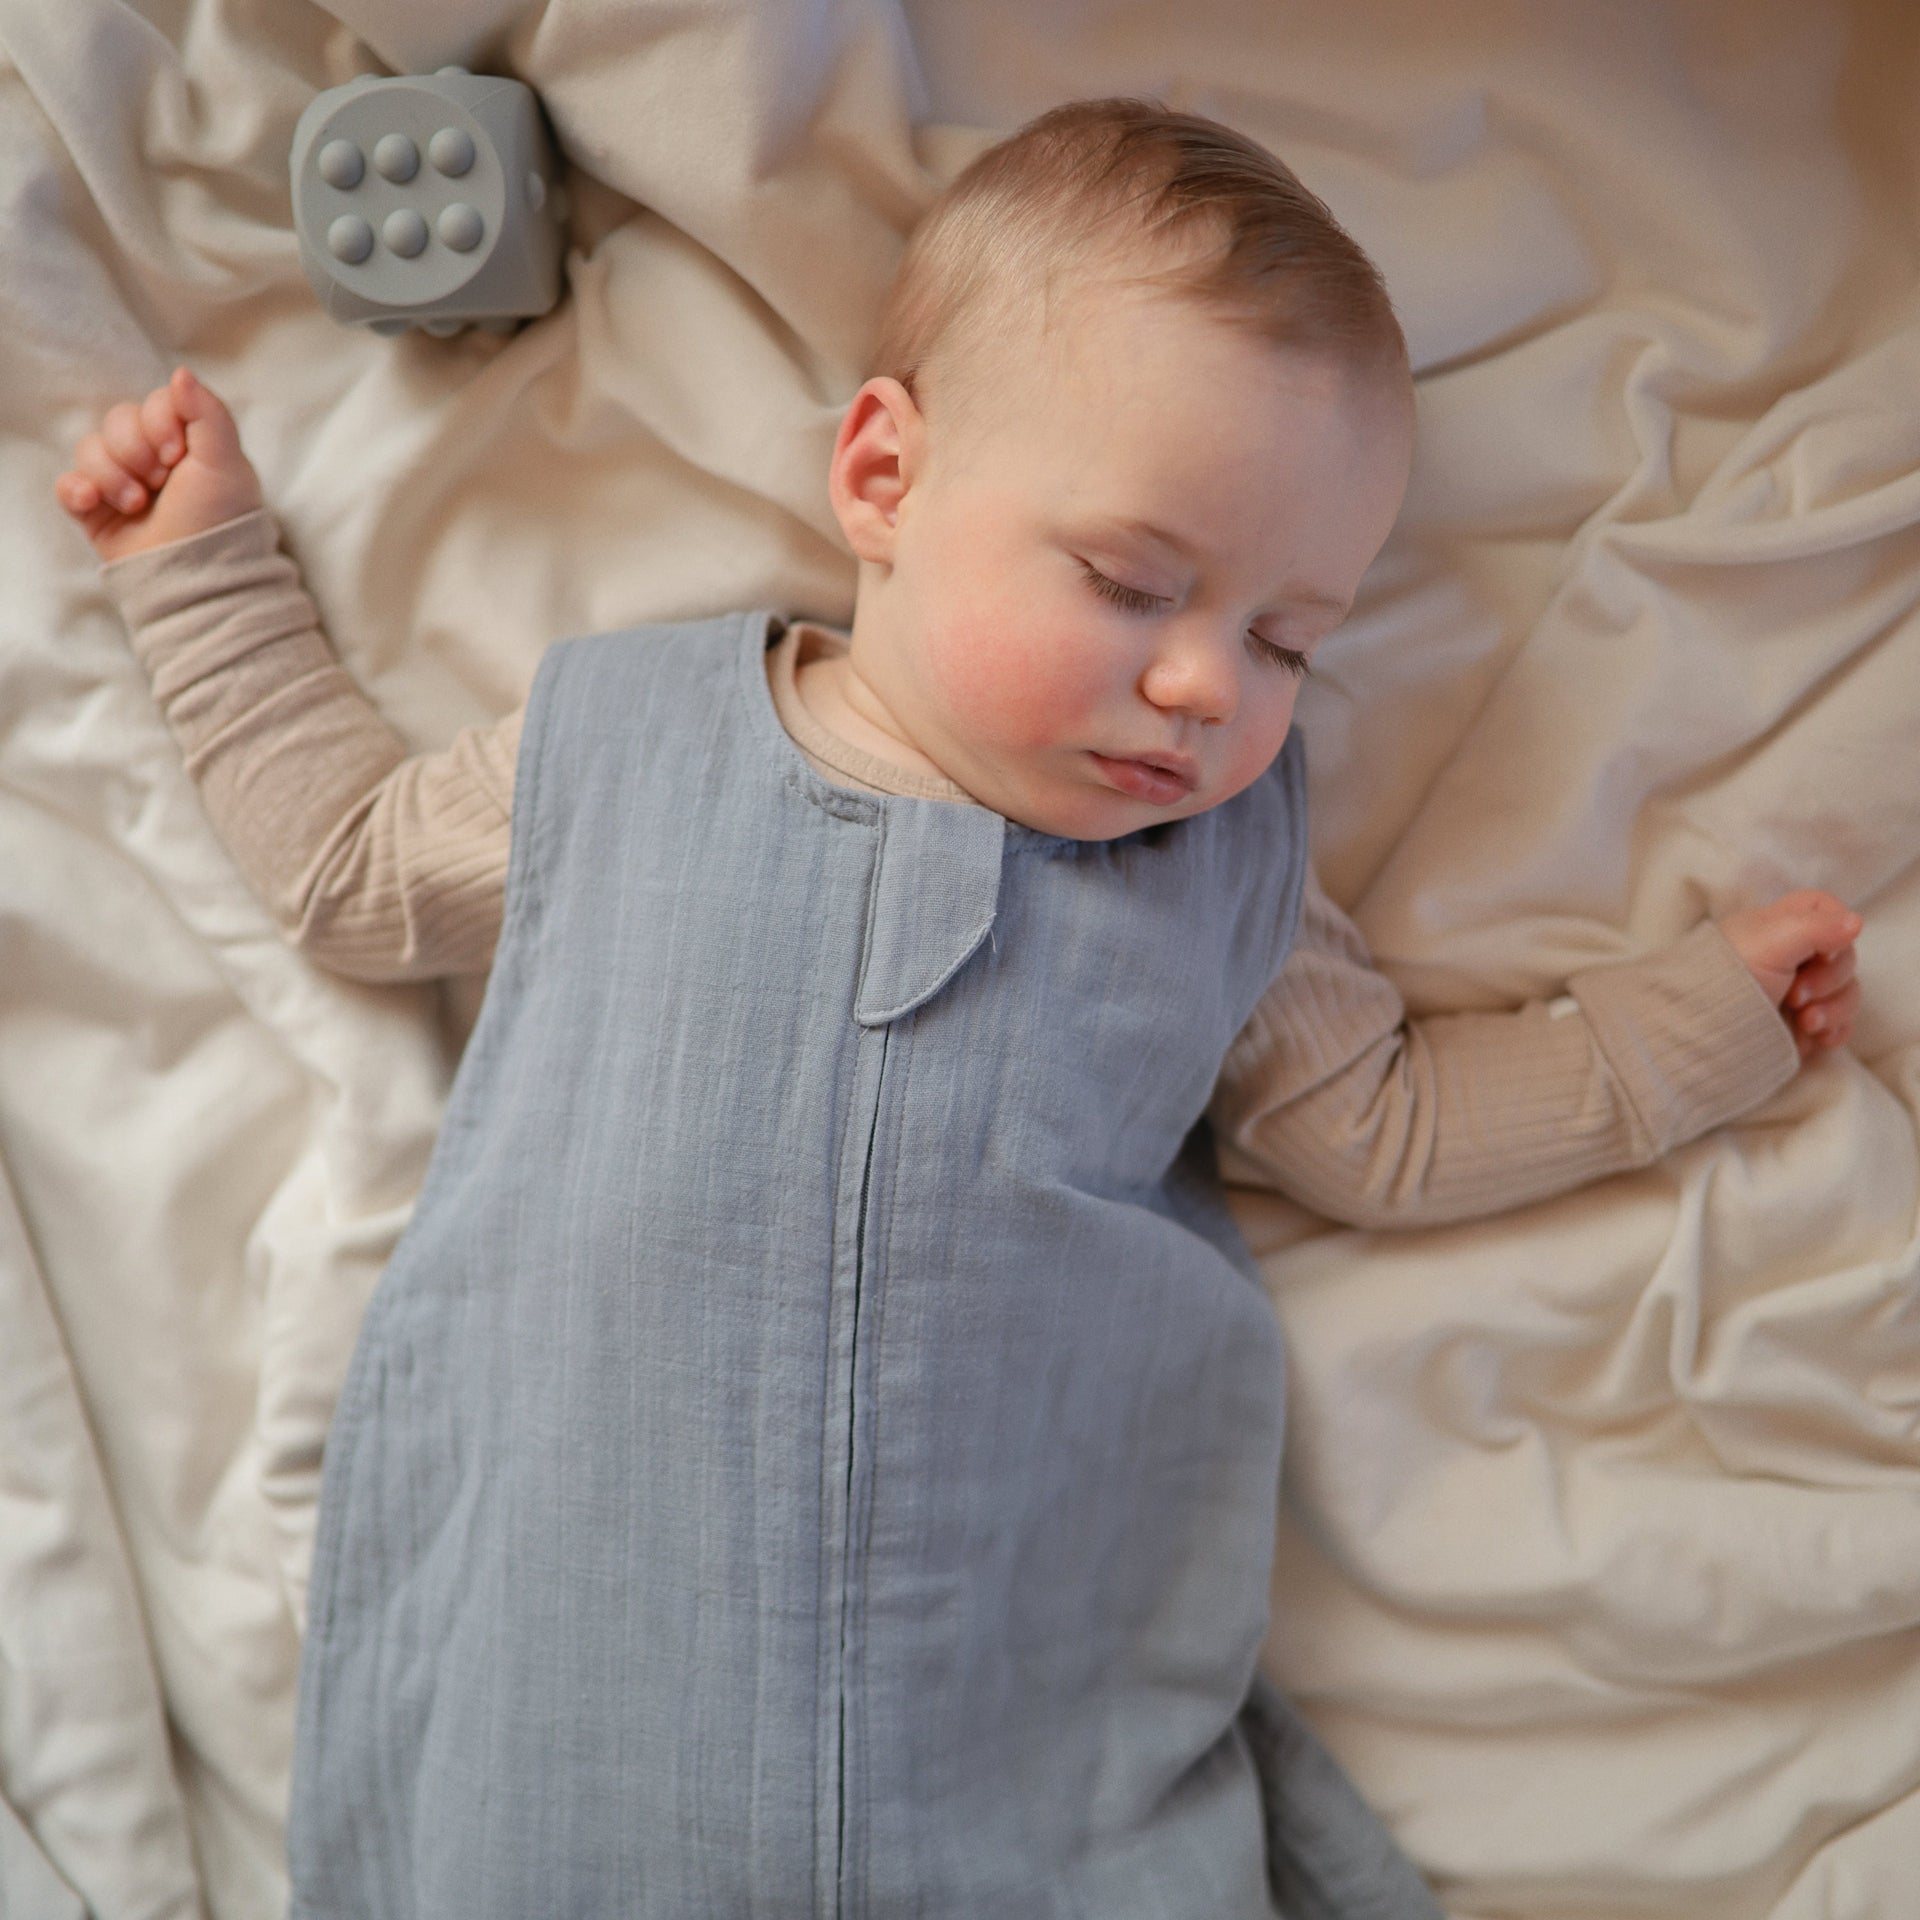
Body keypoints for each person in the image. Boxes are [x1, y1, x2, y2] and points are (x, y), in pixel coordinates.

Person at [58, 97, 1858, 1920]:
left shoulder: (1223, 871)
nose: (1203, 686)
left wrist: (1687, 1033)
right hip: (583, 1719)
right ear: (883, 480)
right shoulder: (625, 747)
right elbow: (351, 869)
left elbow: (1380, 1125)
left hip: (1015, 1757)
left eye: (1287, 642)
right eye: (1134, 584)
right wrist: (200, 569)